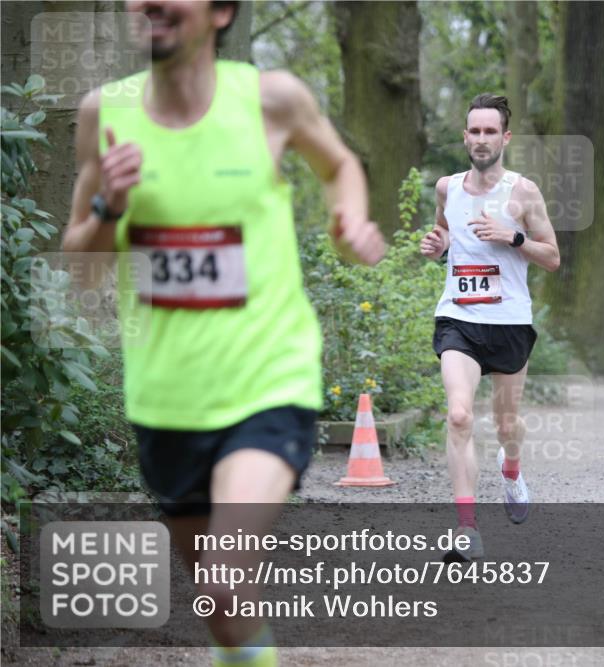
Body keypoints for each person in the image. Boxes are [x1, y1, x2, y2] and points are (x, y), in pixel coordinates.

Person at [60, 2, 385, 664]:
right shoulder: (104, 114)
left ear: (220, 12)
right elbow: (82, 273)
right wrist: (107, 209)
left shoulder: (272, 100)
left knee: (224, 577)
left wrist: (349, 221)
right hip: (164, 401)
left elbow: (339, 165)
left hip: (268, 381)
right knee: (225, 615)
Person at [419, 94, 560, 561]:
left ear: (505, 137)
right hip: (458, 316)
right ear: (465, 137)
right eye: (473, 132)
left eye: (489, 132)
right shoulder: (447, 188)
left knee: (505, 423)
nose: (481, 140)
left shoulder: (523, 192)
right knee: (459, 415)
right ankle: (466, 530)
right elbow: (444, 235)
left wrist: (513, 237)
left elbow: (553, 257)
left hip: (509, 321)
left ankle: (512, 470)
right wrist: (436, 244)